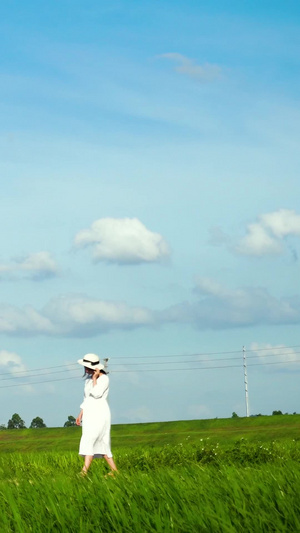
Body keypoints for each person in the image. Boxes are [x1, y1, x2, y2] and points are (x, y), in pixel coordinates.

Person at [76, 353, 118, 476]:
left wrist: (95, 379)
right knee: (93, 440)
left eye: (87, 367)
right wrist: (81, 413)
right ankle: (115, 471)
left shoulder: (104, 379)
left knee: (95, 439)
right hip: (89, 412)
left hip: (99, 413)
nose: (85, 369)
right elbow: (86, 398)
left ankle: (83, 472)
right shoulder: (88, 381)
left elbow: (97, 394)